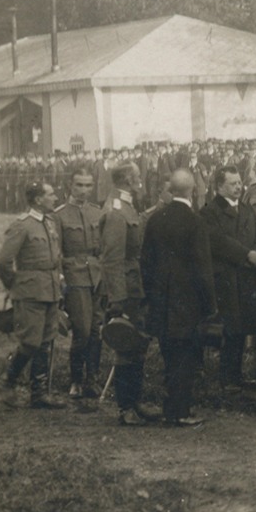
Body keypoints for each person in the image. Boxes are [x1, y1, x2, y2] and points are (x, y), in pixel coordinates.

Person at [139, 170, 216, 426]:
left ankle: (172, 408)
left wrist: (152, 294)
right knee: (186, 357)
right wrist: (209, 305)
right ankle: (179, 411)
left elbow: (145, 263)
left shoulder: (155, 219)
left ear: (172, 190)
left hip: (161, 300)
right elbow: (203, 268)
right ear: (192, 190)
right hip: (188, 302)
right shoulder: (196, 222)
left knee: (170, 354)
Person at [0, 182, 68, 410]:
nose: (55, 198)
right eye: (50, 194)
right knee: (30, 342)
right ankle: (8, 380)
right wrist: (16, 285)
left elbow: (55, 257)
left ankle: (39, 394)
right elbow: (3, 262)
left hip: (50, 289)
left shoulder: (49, 222)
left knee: (46, 341)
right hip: (30, 293)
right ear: (38, 199)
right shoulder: (22, 226)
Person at [99, 163, 161, 425]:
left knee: (137, 344)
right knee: (126, 346)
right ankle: (125, 407)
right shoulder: (115, 211)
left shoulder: (126, 205)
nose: (141, 180)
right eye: (137, 176)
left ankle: (134, 402)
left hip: (133, 286)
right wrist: (117, 299)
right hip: (124, 290)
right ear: (127, 179)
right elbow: (112, 259)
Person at [201, 167, 256, 391]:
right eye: (233, 184)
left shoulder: (245, 208)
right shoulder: (210, 211)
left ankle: (236, 375)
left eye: (240, 182)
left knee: (243, 327)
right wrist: (245, 254)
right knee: (229, 327)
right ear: (220, 187)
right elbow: (217, 240)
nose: (239, 187)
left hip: (248, 275)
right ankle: (226, 377)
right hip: (228, 277)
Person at [55, 168, 105, 399]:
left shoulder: (98, 212)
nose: (84, 190)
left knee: (96, 330)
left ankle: (92, 379)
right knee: (83, 330)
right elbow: (56, 253)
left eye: (88, 185)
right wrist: (61, 281)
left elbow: (103, 246)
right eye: (79, 185)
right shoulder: (60, 215)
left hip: (96, 275)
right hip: (74, 276)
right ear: (70, 186)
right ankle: (76, 378)